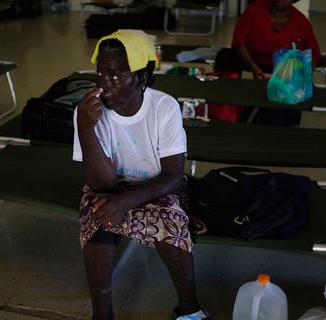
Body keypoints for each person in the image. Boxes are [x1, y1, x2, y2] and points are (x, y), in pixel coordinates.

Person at [72, 30, 209, 320]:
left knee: (171, 223)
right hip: (111, 186)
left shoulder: (164, 108)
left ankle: (190, 309)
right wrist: (86, 129)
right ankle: (102, 314)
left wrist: (124, 204)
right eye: (100, 74)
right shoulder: (88, 113)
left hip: (157, 186)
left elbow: (173, 177)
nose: (103, 84)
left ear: (141, 79)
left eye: (115, 76)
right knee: (95, 216)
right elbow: (101, 184)